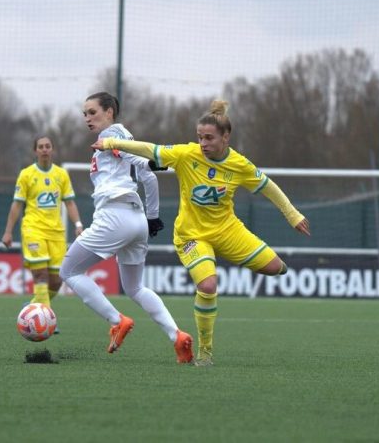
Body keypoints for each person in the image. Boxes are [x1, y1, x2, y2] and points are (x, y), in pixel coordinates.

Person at [93, 99, 311, 366]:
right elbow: (150, 149)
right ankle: (205, 352)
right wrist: (112, 143)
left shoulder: (239, 165)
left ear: (226, 137)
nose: (203, 143)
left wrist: (292, 215)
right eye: (200, 137)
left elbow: (268, 187)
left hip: (228, 230)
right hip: (191, 236)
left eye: (209, 138)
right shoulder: (187, 154)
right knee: (208, 286)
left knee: (278, 268)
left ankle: (234, 257)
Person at [59, 91, 194, 364]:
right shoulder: (110, 140)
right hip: (136, 219)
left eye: (92, 112)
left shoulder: (115, 135)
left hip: (115, 216)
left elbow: (143, 164)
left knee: (69, 270)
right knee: (134, 288)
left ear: (109, 111)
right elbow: (148, 178)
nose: (87, 118)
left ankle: (116, 320)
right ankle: (177, 336)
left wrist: (154, 161)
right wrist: (153, 217)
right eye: (84, 113)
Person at [2, 136, 84, 318]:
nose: (44, 149)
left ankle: (34, 305)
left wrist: (78, 225)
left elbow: (70, 203)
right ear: (35, 151)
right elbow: (16, 205)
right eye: (41, 147)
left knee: (56, 282)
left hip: (56, 232)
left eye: (47, 146)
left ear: (52, 149)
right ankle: (44, 320)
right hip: (33, 229)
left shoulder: (61, 174)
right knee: (40, 275)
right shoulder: (26, 174)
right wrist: (8, 231)